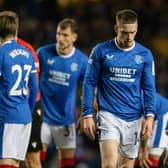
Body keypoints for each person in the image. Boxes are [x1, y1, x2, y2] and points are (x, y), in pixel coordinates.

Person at [79, 9, 156, 168]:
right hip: (109, 115)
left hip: (134, 117)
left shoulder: (144, 55)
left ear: (137, 29)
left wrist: (149, 116)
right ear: (116, 29)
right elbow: (89, 82)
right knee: (109, 164)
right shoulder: (101, 51)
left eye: (132, 32)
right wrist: (86, 114)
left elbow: (148, 89)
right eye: (124, 32)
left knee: (126, 166)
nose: (129, 37)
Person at [37, 18, 88, 168]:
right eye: (58, 34)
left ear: (74, 37)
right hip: (42, 117)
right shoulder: (43, 53)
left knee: (67, 163)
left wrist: (86, 113)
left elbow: (88, 88)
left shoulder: (82, 61)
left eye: (65, 35)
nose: (60, 38)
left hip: (66, 119)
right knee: (35, 160)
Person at [0, 11, 38, 168]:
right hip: (25, 117)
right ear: (15, 31)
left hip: (6, 116)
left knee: (5, 162)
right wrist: (27, 111)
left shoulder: (1, 53)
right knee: (14, 163)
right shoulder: (28, 53)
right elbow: (34, 89)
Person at [17, 38, 42, 168]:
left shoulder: (27, 49)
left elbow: (34, 86)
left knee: (32, 159)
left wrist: (30, 110)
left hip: (28, 105)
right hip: (8, 108)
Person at [135, 93, 168, 168]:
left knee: (150, 157)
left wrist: (143, 149)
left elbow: (143, 123)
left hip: (161, 114)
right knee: (134, 156)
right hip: (146, 117)